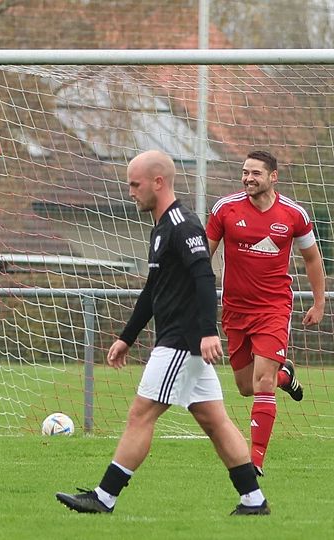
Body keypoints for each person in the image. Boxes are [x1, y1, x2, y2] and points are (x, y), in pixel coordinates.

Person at [56, 150, 269, 516]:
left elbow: (205, 276)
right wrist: (127, 337)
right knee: (214, 421)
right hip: (180, 341)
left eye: (135, 184)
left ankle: (104, 497)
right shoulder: (161, 227)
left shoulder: (183, 225)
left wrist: (207, 332)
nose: (130, 192)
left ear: (158, 182)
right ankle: (254, 500)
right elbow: (153, 290)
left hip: (182, 343)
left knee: (141, 414)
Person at [206, 150, 325, 476]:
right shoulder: (225, 209)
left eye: (255, 173)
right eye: (245, 172)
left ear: (273, 176)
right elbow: (202, 256)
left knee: (262, 383)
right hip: (234, 310)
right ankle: (284, 376)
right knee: (246, 386)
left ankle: (253, 462)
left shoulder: (293, 214)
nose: (248, 178)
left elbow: (312, 259)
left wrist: (319, 302)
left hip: (274, 308)